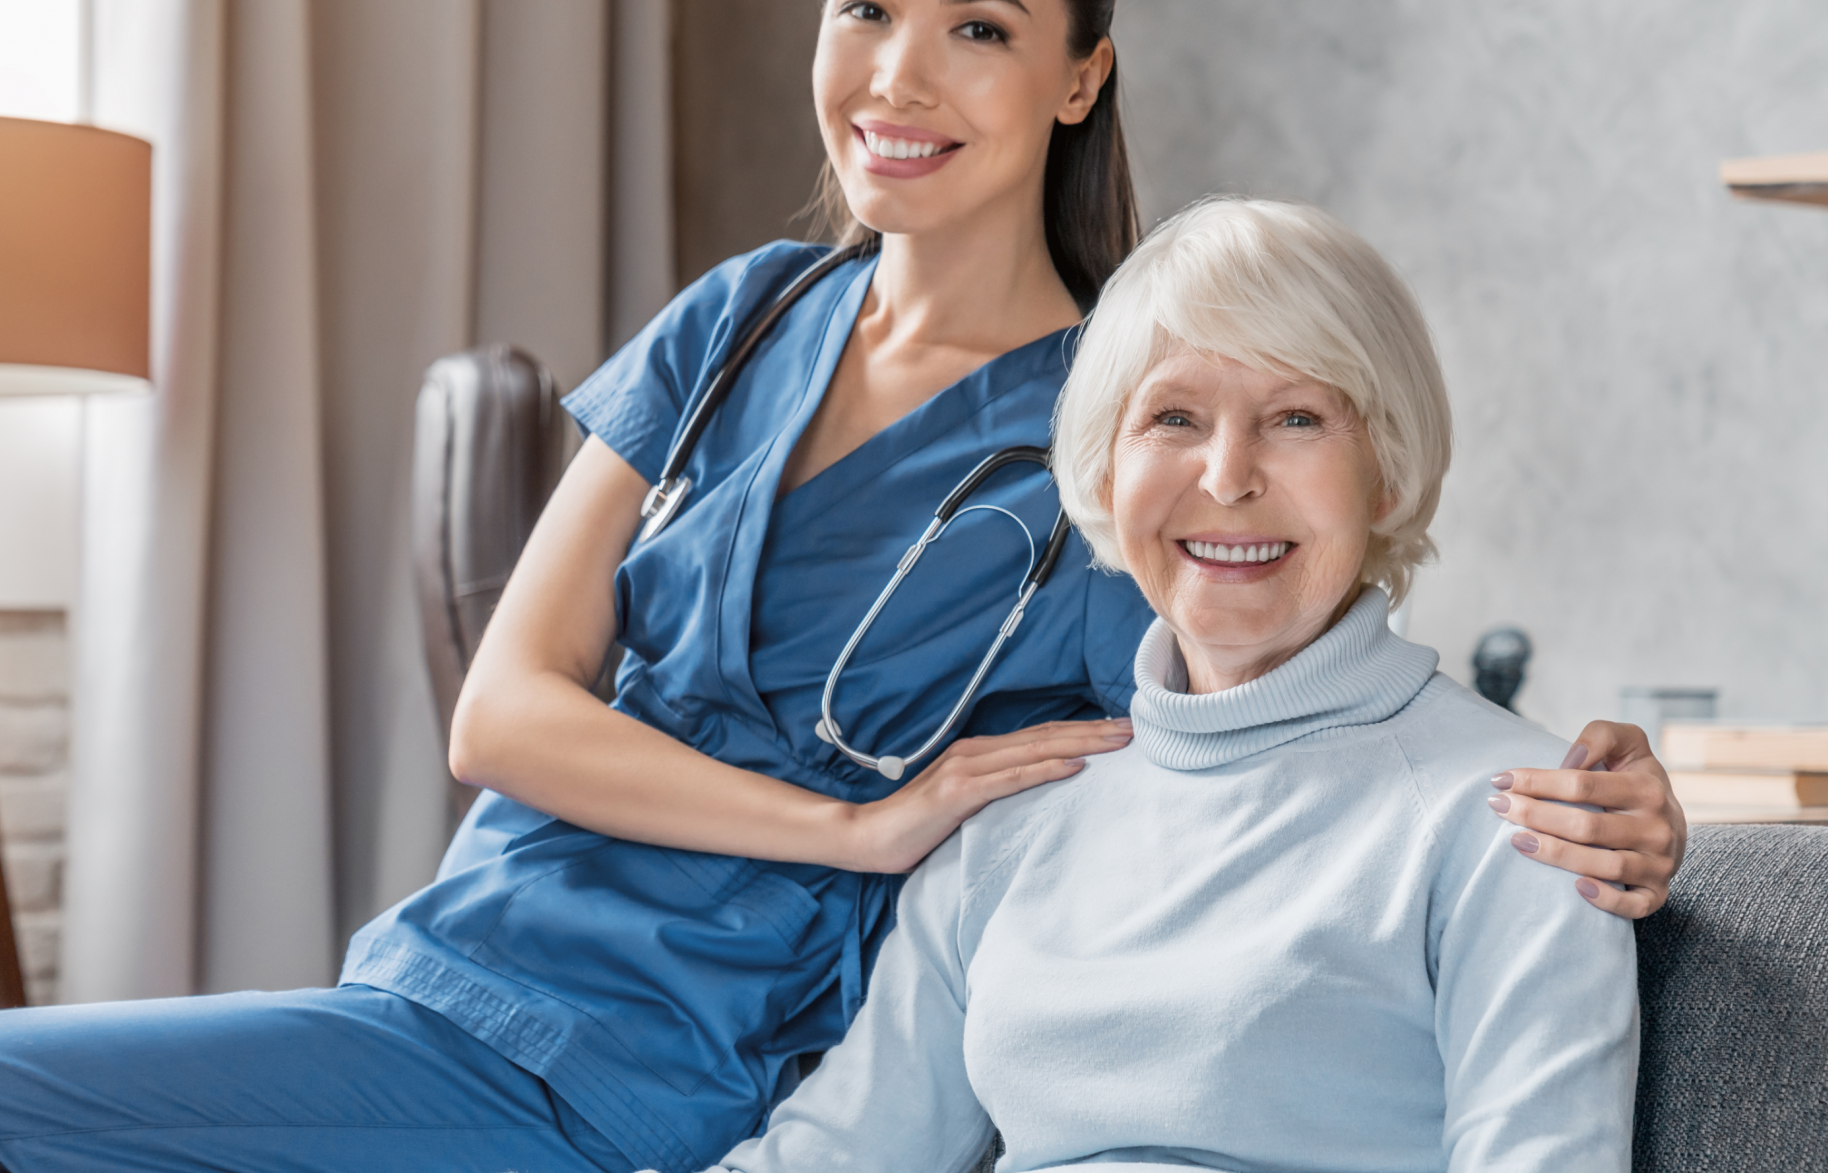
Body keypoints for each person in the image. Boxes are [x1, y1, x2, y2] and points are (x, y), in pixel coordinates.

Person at [0, 0, 1681, 1173]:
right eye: (866, 10)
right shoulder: (737, 318)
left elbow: (1282, 685)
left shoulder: (1125, 425)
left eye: (976, 26)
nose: (897, 73)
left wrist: (1609, 806)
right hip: (458, 979)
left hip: (693, 1068)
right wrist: (852, 827)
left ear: (1077, 74)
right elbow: (504, 713)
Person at [699, 198, 1639, 1173]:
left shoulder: (1525, 812)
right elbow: (842, 1151)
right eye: (1174, 417)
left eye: (1296, 418)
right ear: (1107, 471)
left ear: (1385, 473)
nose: (1227, 476)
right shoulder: (1016, 820)